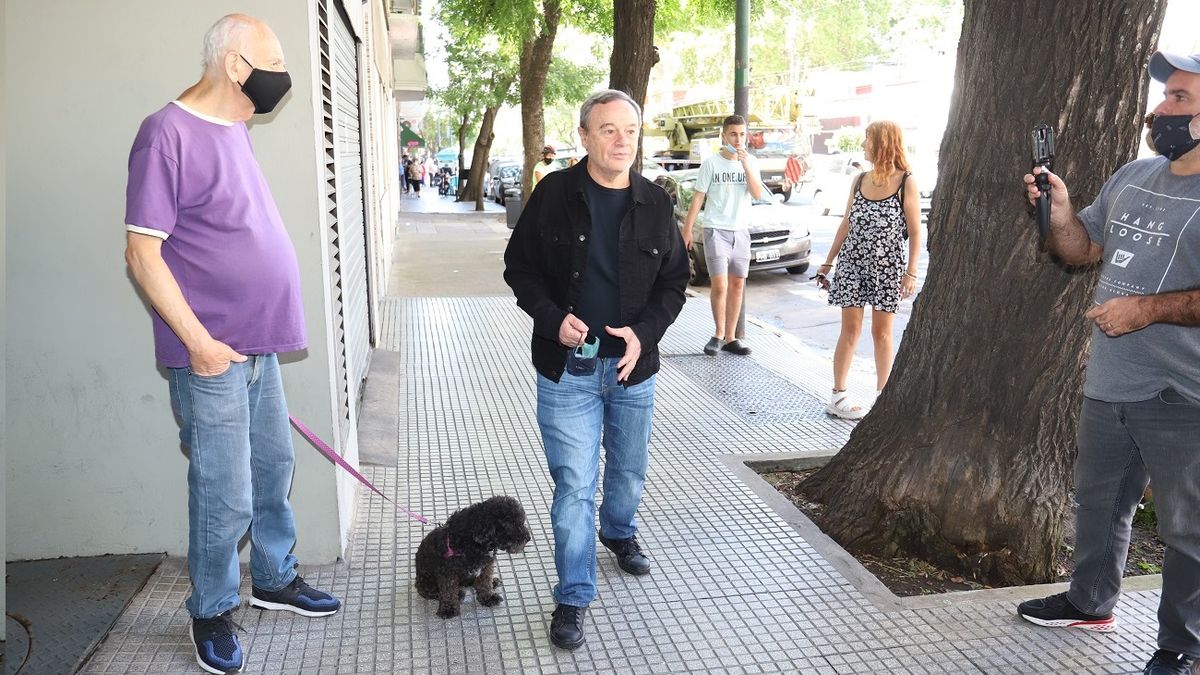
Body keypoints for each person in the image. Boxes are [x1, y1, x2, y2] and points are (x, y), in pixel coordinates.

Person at [123, 14, 342, 675]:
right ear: (237, 66)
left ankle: (273, 576)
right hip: (213, 351)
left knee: (273, 468)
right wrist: (200, 342)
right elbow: (141, 252)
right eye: (272, 62)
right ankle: (212, 608)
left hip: (259, 345)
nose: (283, 77)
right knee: (225, 490)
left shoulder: (235, 127)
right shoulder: (165, 134)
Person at [1015, 51, 1200, 675]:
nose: (1161, 110)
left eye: (1179, 99)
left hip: (1185, 393)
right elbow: (1081, 250)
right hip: (1112, 381)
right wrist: (1060, 213)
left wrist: (1148, 309)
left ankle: (1183, 645)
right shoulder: (1134, 175)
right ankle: (1090, 602)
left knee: (1188, 529)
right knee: (1099, 504)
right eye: (1165, 97)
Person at [503, 89, 689, 651]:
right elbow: (520, 269)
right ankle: (574, 594)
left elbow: (674, 283)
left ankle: (619, 532)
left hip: (634, 370)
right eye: (607, 129)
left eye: (629, 130)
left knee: (628, 471)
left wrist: (645, 332)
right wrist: (553, 317)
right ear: (584, 135)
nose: (620, 140)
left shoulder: (656, 202)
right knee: (575, 486)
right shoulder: (555, 194)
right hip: (568, 372)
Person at [814, 120, 921, 419]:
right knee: (850, 329)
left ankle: (882, 397)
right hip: (851, 263)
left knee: (882, 333)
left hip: (887, 267)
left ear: (883, 142)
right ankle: (837, 396)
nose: (862, 144)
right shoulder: (859, 179)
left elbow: (915, 231)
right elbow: (846, 222)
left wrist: (910, 272)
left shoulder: (906, 181)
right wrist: (828, 261)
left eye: (867, 138)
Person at [682, 114, 766, 356]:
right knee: (720, 284)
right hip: (715, 229)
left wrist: (746, 164)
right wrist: (687, 230)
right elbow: (698, 197)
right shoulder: (711, 164)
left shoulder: (751, 162)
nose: (738, 139)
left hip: (741, 230)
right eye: (733, 134)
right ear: (724, 135)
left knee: (738, 284)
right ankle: (718, 334)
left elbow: (758, 193)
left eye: (742, 134)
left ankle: (731, 337)